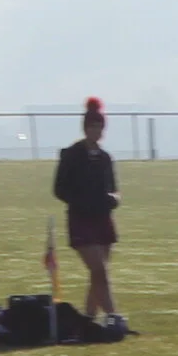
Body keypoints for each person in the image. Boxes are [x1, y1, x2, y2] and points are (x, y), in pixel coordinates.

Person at [51, 97, 121, 322]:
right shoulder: (72, 155)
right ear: (85, 128)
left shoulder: (105, 158)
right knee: (100, 271)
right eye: (93, 127)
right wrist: (82, 201)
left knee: (97, 275)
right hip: (81, 220)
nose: (97, 131)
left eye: (100, 127)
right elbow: (59, 189)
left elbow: (114, 188)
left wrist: (113, 199)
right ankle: (113, 316)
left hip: (103, 220)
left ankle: (88, 319)